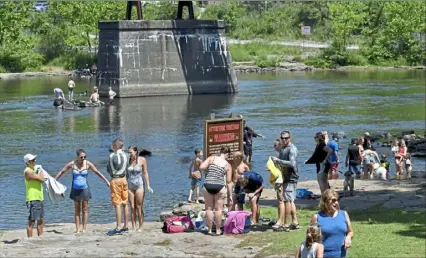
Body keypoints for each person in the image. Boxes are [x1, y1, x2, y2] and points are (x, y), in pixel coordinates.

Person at [55, 149, 110, 233]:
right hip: (75, 189)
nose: (83, 158)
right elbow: (62, 172)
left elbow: (97, 172)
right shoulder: (72, 164)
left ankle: (84, 229)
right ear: (77, 157)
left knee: (84, 209)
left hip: (85, 188)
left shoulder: (87, 163)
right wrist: (54, 181)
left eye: (85, 157)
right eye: (81, 157)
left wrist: (106, 181)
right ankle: (77, 229)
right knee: (77, 210)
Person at [199, 146, 233, 236]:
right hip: (219, 186)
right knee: (219, 210)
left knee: (209, 209)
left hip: (208, 185)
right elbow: (229, 181)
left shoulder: (211, 158)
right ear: (227, 154)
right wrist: (230, 196)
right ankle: (218, 230)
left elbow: (201, 167)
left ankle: (209, 230)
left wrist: (207, 171)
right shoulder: (227, 165)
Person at [310, 189, 354, 258]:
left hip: (341, 255)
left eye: (337, 200)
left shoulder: (343, 214)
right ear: (325, 202)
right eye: (333, 200)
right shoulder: (317, 217)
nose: (336, 203)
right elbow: (311, 239)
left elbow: (350, 232)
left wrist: (348, 237)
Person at [271, 130, 300, 232]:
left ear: (290, 138)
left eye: (286, 138)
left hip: (291, 177)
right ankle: (294, 222)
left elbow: (292, 163)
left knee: (287, 200)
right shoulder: (283, 148)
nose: (284, 140)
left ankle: (286, 224)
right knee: (288, 200)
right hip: (284, 177)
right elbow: (281, 163)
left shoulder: (292, 149)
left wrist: (278, 161)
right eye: (282, 138)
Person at [127, 146, 153, 231]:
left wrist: (148, 185)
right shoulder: (128, 160)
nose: (129, 154)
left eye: (131, 152)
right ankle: (134, 226)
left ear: (135, 152)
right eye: (129, 152)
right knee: (132, 207)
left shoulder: (142, 160)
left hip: (139, 185)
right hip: (130, 186)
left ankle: (141, 226)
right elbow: (126, 174)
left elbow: (145, 173)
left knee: (139, 207)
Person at [107, 139, 130, 235]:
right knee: (125, 202)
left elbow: (109, 169)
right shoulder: (127, 155)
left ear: (115, 146)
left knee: (117, 203)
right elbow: (127, 167)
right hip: (124, 179)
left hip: (115, 179)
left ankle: (118, 227)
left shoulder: (112, 156)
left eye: (112, 145)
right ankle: (126, 225)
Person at [23, 154, 46, 238]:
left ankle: (40, 237)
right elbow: (41, 179)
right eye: (33, 160)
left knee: (41, 219)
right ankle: (30, 240)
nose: (35, 161)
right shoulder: (28, 171)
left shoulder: (33, 169)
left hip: (39, 197)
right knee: (32, 221)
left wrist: (38, 170)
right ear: (28, 162)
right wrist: (40, 170)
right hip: (33, 198)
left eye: (35, 159)